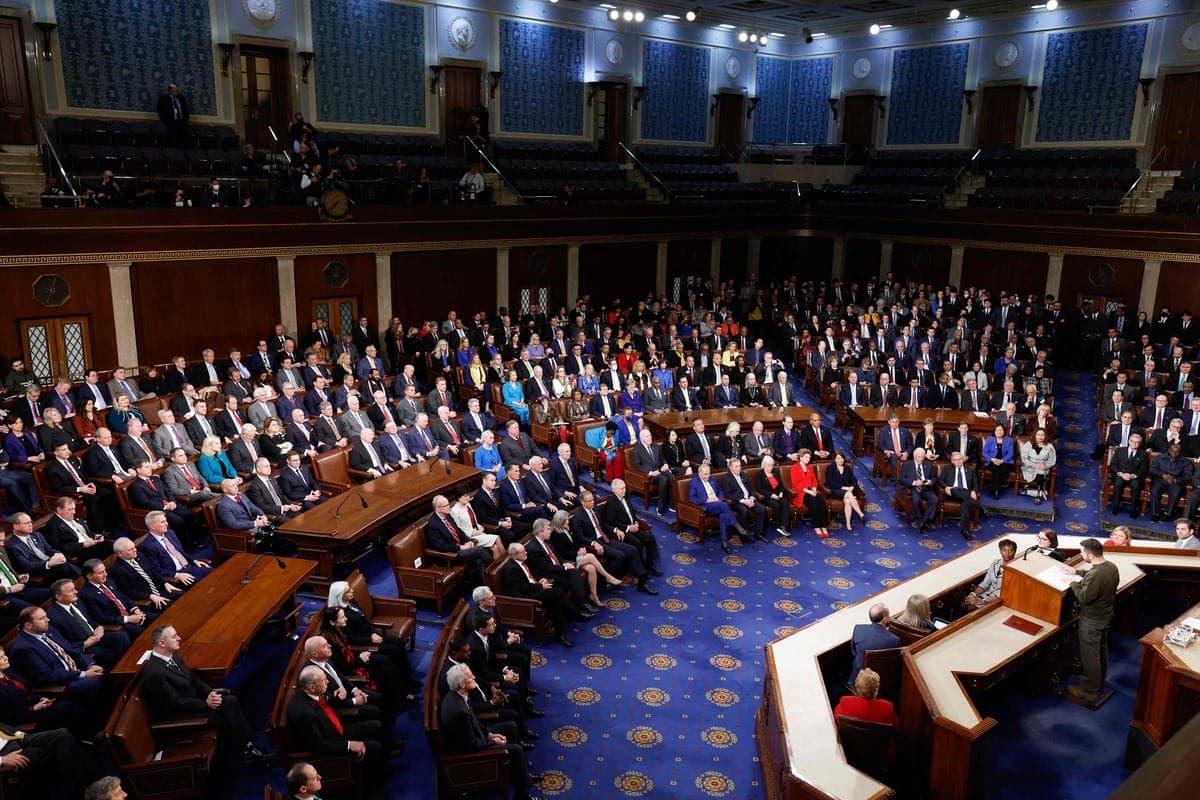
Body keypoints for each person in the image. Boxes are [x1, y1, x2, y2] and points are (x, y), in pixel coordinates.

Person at [141, 624, 271, 765]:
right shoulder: (154, 672)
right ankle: (247, 750)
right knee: (229, 707)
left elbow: (193, 678)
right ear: (162, 643)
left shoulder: (173, 655)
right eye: (174, 636)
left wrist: (210, 693)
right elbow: (174, 703)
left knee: (230, 700)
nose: (179, 638)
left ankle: (248, 746)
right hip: (181, 715)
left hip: (192, 703)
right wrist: (206, 703)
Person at [441, 663, 538, 800]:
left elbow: (474, 722)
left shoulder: (459, 695)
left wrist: (489, 734)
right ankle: (522, 796)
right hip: (468, 756)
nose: (474, 678)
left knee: (511, 727)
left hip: (474, 736)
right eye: (470, 677)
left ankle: (522, 773)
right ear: (462, 684)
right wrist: (492, 741)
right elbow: (471, 745)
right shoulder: (459, 712)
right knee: (515, 750)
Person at [1061, 539, 1119, 702]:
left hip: (1092, 620)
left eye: (1082, 552)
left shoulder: (1096, 574)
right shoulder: (1111, 567)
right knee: (1101, 650)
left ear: (1091, 555)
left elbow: (1083, 598)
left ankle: (1090, 690)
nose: (1081, 554)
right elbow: (1094, 576)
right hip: (1105, 616)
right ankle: (1097, 681)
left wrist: (1073, 583)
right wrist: (1076, 572)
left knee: (1090, 655)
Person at [687, 463, 743, 554]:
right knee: (724, 505)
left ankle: (724, 542)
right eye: (705, 474)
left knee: (723, 515)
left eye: (709, 473)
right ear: (700, 473)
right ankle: (737, 526)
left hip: (718, 504)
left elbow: (720, 491)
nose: (708, 476)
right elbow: (692, 499)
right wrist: (707, 500)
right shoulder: (694, 482)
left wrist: (719, 498)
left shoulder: (712, 478)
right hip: (706, 506)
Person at [849, 603, 901, 683]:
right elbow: (895, 663)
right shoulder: (894, 640)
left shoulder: (858, 629)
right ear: (885, 619)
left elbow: (853, 651)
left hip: (856, 677)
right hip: (878, 681)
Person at [832, 667, 899, 727]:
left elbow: (836, 719)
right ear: (877, 688)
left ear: (857, 687)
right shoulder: (887, 707)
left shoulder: (845, 702)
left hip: (850, 736)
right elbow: (896, 727)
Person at [962, 538, 1016, 610]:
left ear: (1014, 552)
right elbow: (985, 583)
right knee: (964, 604)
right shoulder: (996, 563)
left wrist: (983, 601)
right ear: (1000, 551)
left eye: (1011, 551)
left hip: (996, 601)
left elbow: (1003, 594)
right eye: (1004, 550)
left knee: (970, 608)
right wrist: (973, 594)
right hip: (984, 596)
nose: (1007, 553)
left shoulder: (1015, 569)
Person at [790, 449, 830, 538]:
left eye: (809, 457)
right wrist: (809, 491)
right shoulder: (794, 468)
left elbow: (814, 480)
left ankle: (823, 526)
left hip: (812, 490)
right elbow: (796, 483)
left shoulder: (810, 467)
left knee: (822, 502)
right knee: (814, 503)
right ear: (801, 458)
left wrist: (814, 489)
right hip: (802, 492)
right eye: (806, 457)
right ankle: (817, 526)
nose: (808, 459)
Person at [900, 447, 940, 532]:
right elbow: (902, 479)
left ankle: (922, 521)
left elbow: (934, 478)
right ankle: (922, 519)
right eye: (919, 457)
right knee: (916, 500)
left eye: (922, 457)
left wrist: (930, 482)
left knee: (935, 500)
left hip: (926, 488)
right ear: (914, 456)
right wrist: (914, 482)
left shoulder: (929, 464)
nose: (921, 459)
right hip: (914, 488)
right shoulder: (907, 464)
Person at [752, 456, 792, 537]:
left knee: (785, 503)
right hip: (766, 496)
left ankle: (784, 526)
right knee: (776, 505)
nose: (771, 467)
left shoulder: (775, 472)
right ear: (764, 465)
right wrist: (771, 495)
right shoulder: (759, 475)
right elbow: (760, 489)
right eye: (769, 465)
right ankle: (778, 524)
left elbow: (781, 485)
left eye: (772, 465)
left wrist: (781, 493)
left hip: (778, 495)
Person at [1019, 428, 1056, 504]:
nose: (1040, 437)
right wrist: (1035, 465)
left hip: (1043, 467)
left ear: (1045, 436)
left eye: (1042, 435)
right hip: (1029, 467)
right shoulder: (1028, 444)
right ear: (1035, 435)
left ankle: (1038, 495)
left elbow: (1052, 460)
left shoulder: (1050, 446)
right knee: (1038, 472)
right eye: (1038, 435)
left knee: (1041, 472)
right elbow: (1024, 458)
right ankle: (1036, 490)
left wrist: (1045, 466)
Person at [981, 424, 1014, 499]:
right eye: (997, 430)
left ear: (1004, 431)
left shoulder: (1009, 440)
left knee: (1005, 469)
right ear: (994, 432)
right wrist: (992, 459)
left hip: (1005, 461)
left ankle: (994, 488)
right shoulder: (990, 439)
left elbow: (1010, 453)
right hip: (992, 461)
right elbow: (984, 452)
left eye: (1001, 430)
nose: (999, 432)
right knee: (996, 468)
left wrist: (1002, 460)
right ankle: (996, 491)